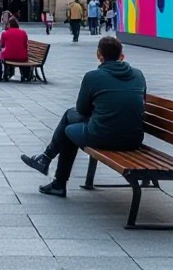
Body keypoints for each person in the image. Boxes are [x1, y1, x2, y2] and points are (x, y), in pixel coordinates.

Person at [20, 36, 147, 197]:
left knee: (68, 127)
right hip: (133, 139)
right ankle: (45, 161)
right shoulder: (138, 75)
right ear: (122, 56)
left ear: (99, 55)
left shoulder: (93, 77)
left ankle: (53, 173)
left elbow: (82, 110)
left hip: (103, 136)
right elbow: (142, 103)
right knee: (70, 119)